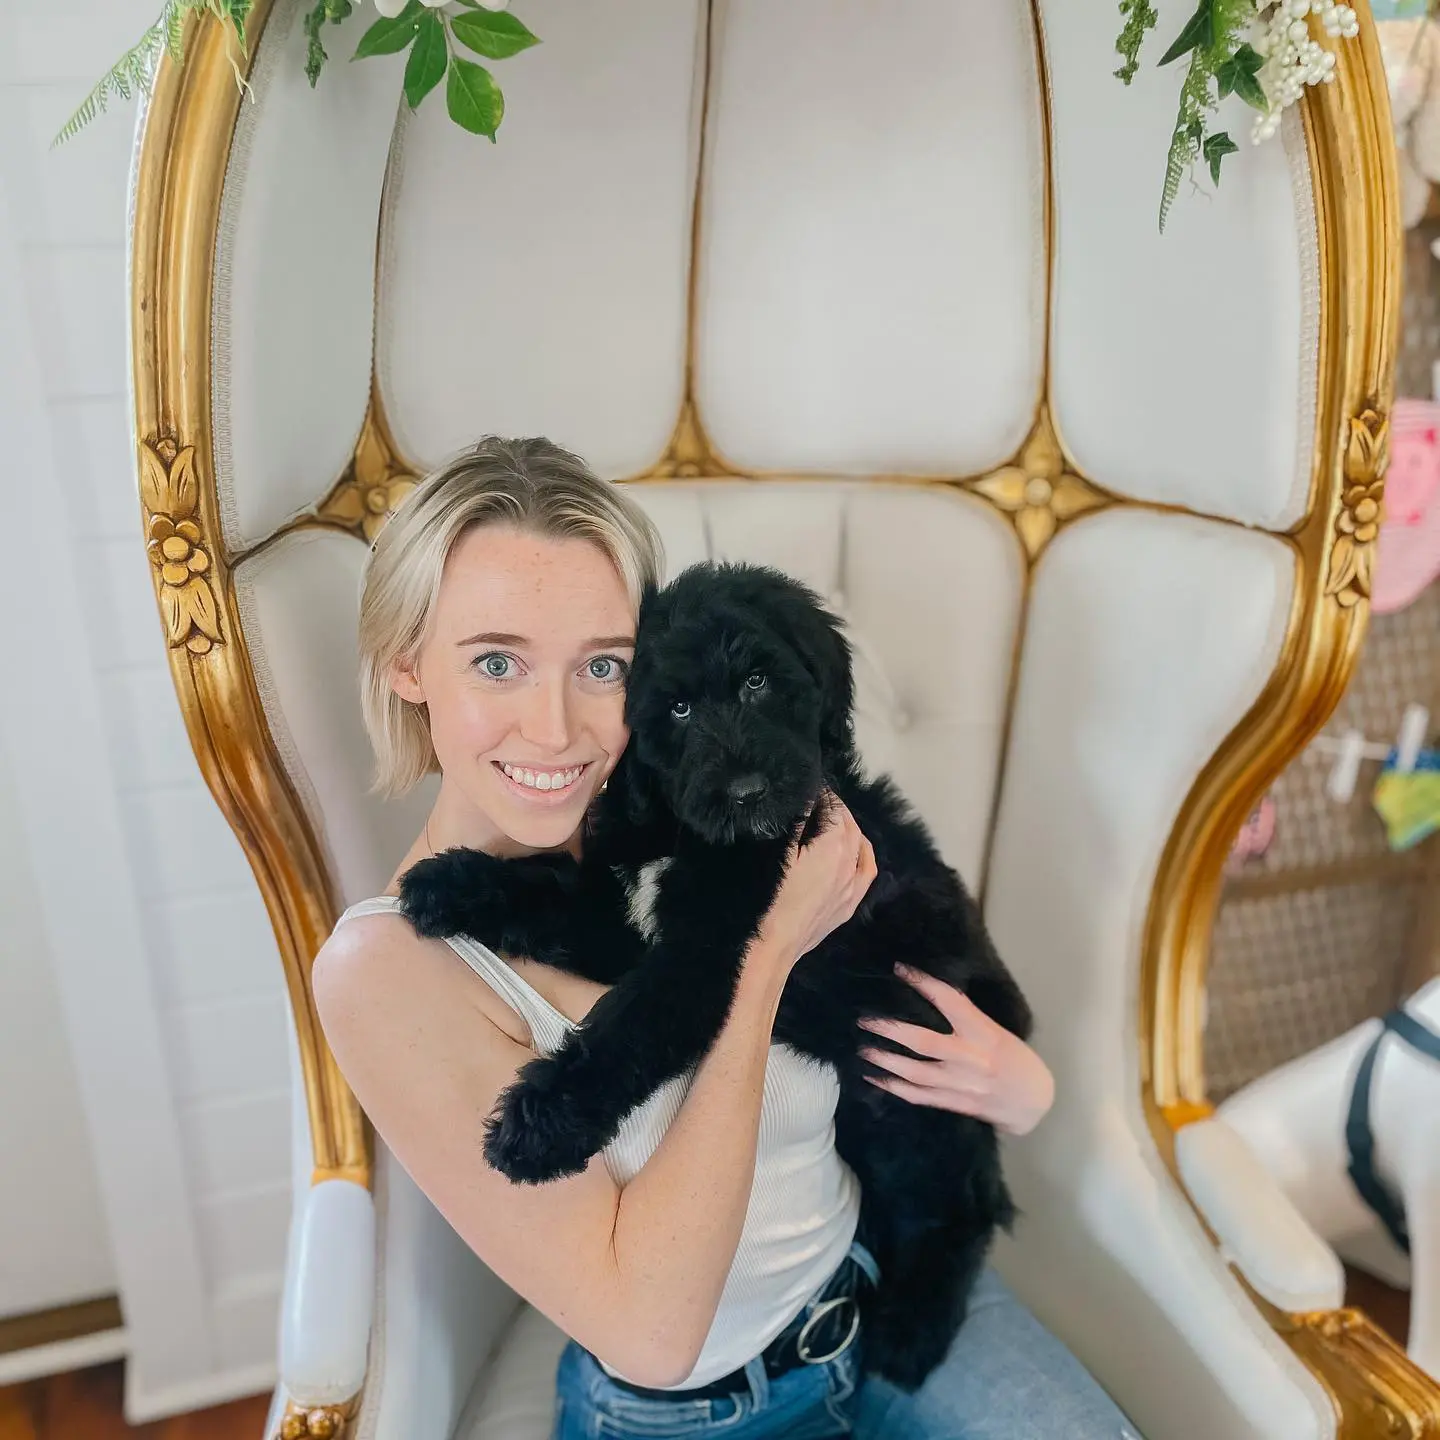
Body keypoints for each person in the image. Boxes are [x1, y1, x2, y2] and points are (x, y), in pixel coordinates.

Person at [313, 436, 1142, 1439]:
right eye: (497, 661)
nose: (556, 727)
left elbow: (896, 973)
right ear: (408, 665)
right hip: (704, 1411)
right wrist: (767, 956)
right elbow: (654, 1332)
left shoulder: (665, 805)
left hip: (878, 1286)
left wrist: (1024, 1087)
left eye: (603, 666)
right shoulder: (385, 972)